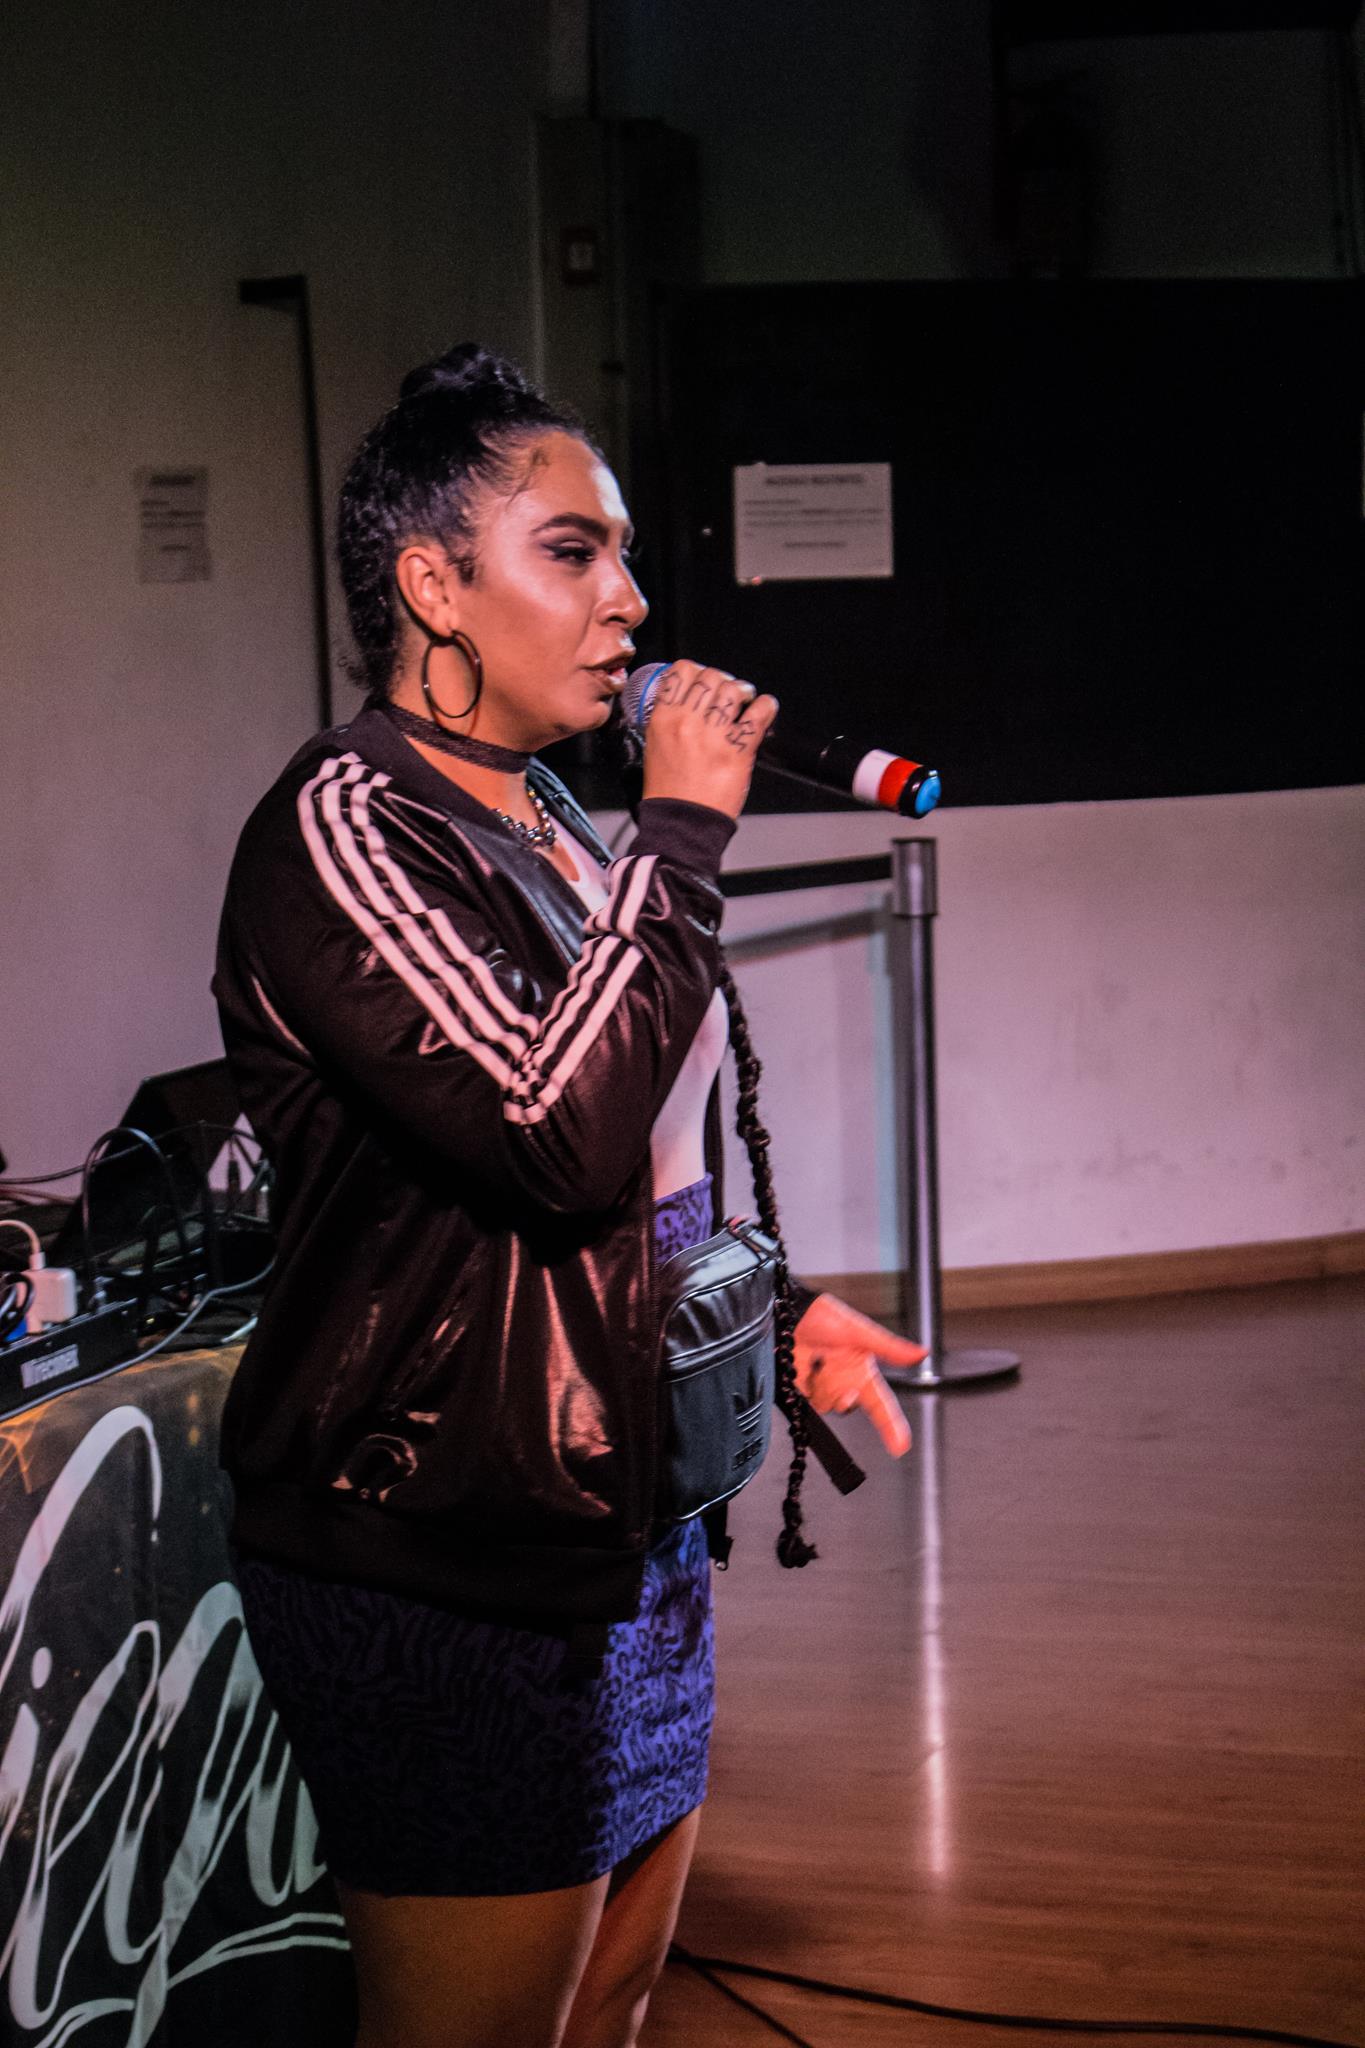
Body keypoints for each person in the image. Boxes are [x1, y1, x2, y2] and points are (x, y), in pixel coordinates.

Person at [214, 343, 925, 2048]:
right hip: (445, 1537)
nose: (631, 598)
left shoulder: (545, 813)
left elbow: (641, 1142)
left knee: (607, 2005)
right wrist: (680, 835)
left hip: (618, 1514)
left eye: (625, 553)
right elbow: (549, 1132)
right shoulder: (342, 827)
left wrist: (765, 1304)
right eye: (571, 551)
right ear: (431, 587)